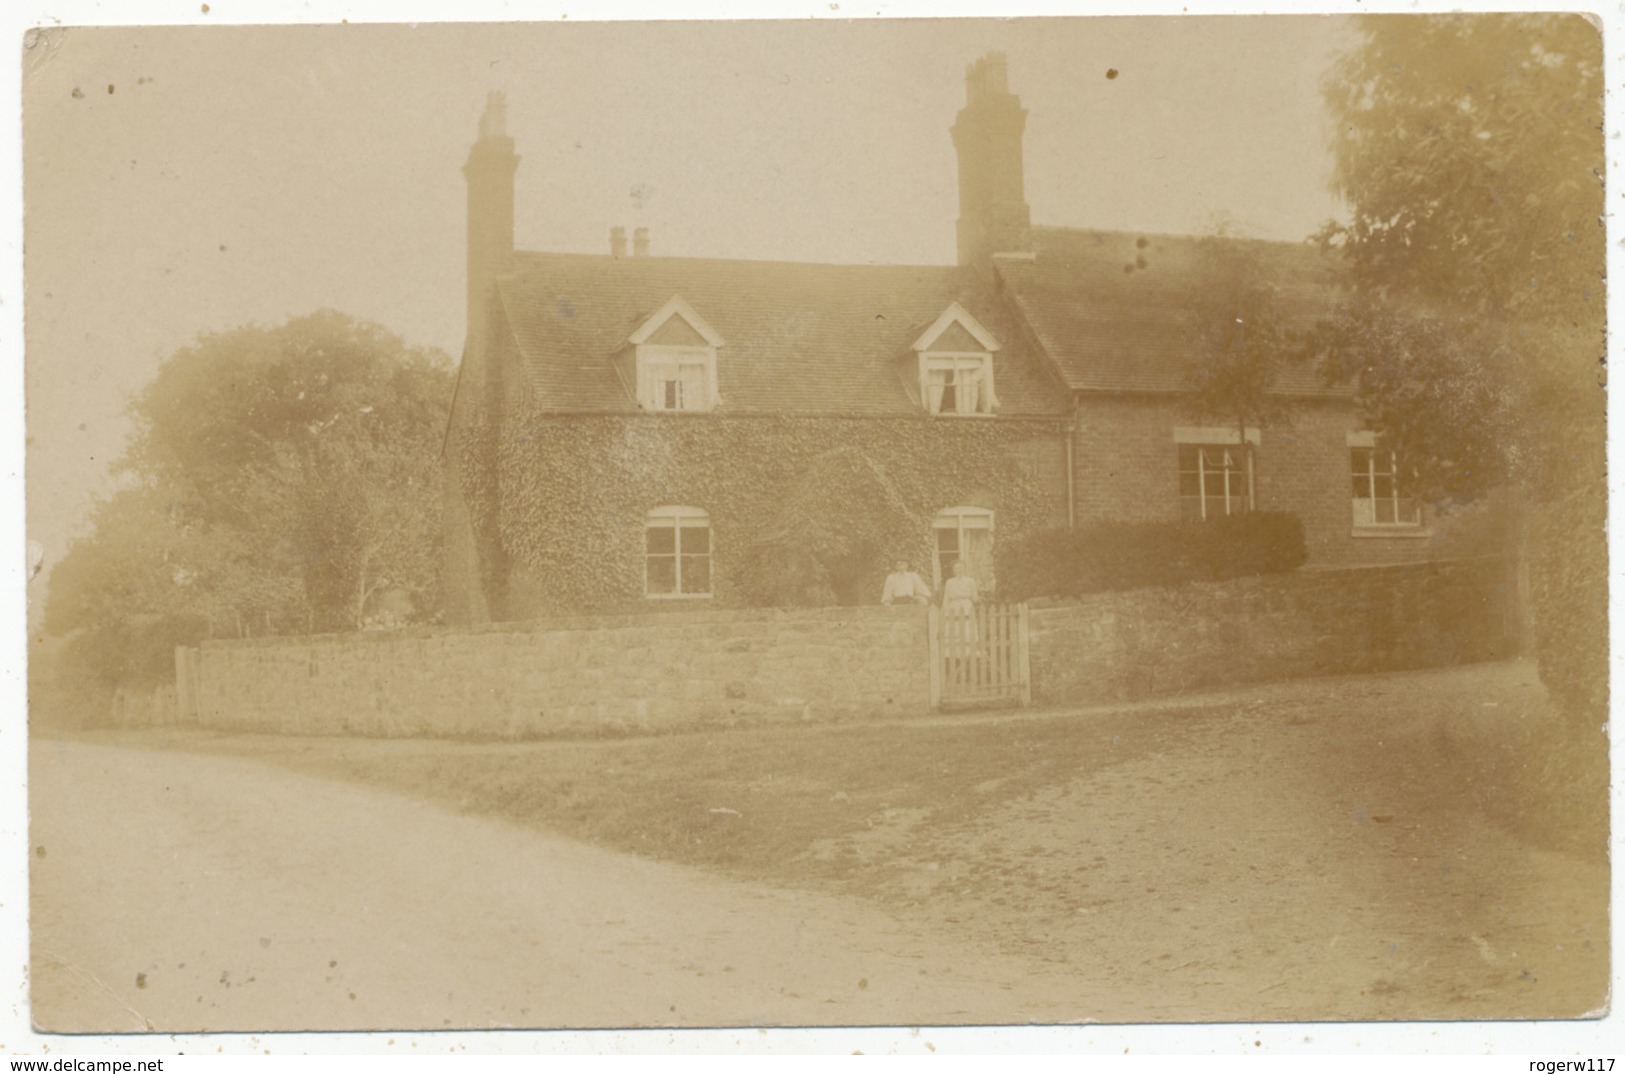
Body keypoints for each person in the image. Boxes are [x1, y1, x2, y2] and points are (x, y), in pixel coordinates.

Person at [940, 559, 980, 660]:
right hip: (953, 606)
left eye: (961, 567)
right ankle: (953, 652)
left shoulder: (970, 581)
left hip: (966, 605)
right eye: (956, 568)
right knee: (954, 627)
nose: (959, 569)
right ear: (953, 570)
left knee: (967, 626)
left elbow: (975, 597)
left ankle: (969, 651)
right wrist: (944, 610)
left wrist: (970, 599)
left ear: (965, 568)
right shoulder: (949, 582)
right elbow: (946, 597)